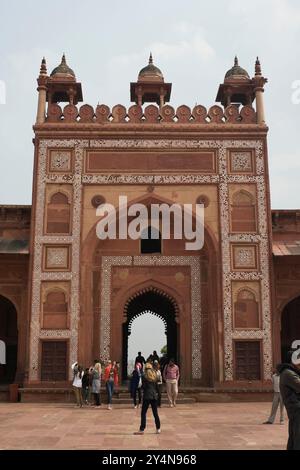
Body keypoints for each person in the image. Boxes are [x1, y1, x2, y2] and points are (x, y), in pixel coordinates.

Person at [279, 350, 300, 450]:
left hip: (295, 408)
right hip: (296, 409)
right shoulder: (289, 373)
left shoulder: (290, 372)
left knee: (294, 436)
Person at [134, 361, 161, 435]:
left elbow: (143, 387)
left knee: (143, 413)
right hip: (154, 396)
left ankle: (142, 429)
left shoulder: (144, 376)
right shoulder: (155, 376)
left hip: (147, 396)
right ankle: (158, 428)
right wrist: (158, 397)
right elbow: (157, 388)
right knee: (155, 413)